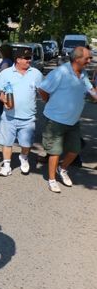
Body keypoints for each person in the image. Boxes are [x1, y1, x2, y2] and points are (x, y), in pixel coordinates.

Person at [38, 46, 97, 193]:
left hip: (73, 121)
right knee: (55, 152)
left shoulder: (83, 73)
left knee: (75, 149)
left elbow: (92, 92)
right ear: (77, 59)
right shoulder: (60, 72)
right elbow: (43, 89)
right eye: (87, 58)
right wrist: (50, 102)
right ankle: (52, 180)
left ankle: (62, 169)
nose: (90, 61)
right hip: (55, 120)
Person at [0, 48, 43, 177]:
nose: (29, 60)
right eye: (26, 58)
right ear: (18, 60)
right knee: (7, 142)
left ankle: (24, 157)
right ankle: (6, 166)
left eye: (30, 58)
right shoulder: (5, 73)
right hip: (9, 116)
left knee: (26, 143)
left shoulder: (36, 74)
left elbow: (42, 91)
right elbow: (0, 92)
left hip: (28, 117)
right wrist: (4, 100)